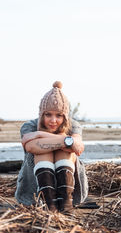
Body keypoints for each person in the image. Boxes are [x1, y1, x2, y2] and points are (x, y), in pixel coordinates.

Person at [15, 81, 88, 213]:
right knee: (43, 152)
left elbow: (78, 147)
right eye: (48, 114)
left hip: (72, 192)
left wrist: (39, 135)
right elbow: (31, 147)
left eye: (59, 115)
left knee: (64, 152)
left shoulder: (74, 125)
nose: (53, 120)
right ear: (41, 114)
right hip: (33, 191)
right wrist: (67, 141)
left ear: (65, 116)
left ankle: (66, 203)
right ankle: (49, 203)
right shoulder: (29, 126)